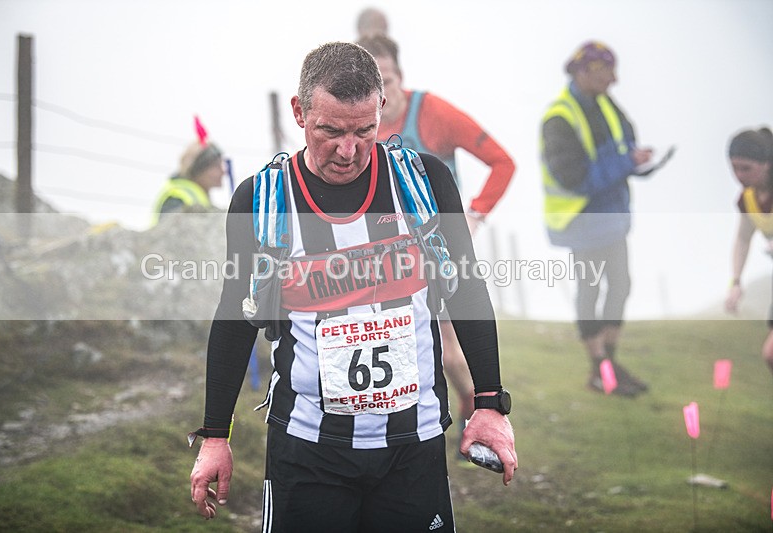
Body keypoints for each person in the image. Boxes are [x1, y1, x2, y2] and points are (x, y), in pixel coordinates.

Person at [188, 42, 517, 531]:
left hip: (414, 445)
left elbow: (466, 291)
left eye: (366, 131)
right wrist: (216, 435)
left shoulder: (426, 183)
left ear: (382, 109)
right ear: (300, 114)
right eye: (331, 131)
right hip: (307, 449)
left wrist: (489, 404)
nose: (349, 150)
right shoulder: (260, 199)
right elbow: (236, 316)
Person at [357, 33, 516, 432]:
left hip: (437, 252)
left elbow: (502, 162)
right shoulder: (356, 128)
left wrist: (474, 215)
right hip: (382, 260)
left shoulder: (432, 113)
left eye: (387, 79)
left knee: (447, 351)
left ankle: (474, 407)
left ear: (400, 76)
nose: (381, 92)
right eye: (369, 83)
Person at [540, 41, 654, 397]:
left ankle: (609, 364)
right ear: (585, 71)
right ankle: (600, 369)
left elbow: (625, 144)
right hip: (581, 222)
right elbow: (573, 177)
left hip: (612, 217)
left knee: (620, 285)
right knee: (591, 289)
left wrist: (637, 162)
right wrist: (626, 162)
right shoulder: (558, 117)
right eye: (608, 72)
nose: (615, 79)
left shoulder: (605, 103)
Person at [724, 127, 773, 377]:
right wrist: (736, 282)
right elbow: (743, 239)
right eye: (734, 168)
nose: (739, 175)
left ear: (766, 164)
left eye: (746, 168)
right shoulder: (748, 199)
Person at [151, 139, 224, 224]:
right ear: (199, 169)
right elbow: (168, 232)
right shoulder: (176, 198)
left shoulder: (199, 195)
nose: (223, 171)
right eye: (216, 166)